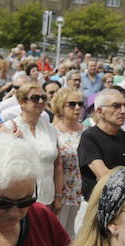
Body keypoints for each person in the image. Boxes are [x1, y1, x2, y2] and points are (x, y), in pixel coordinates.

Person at [76, 88, 125, 231]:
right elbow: (105, 176)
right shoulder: (89, 137)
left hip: (123, 209)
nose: (122, 111)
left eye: (124, 106)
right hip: (96, 208)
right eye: (116, 106)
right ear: (100, 111)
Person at [4, 82, 62, 209]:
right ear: (21, 102)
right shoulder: (10, 127)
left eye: (44, 98)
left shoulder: (50, 128)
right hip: (20, 200)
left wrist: (58, 196)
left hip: (47, 198)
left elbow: (57, 165)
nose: (41, 101)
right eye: (35, 98)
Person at [52, 86, 86, 237]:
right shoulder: (53, 132)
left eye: (80, 104)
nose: (77, 108)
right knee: (60, 235)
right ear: (61, 106)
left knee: (79, 237)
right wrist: (57, 196)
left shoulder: (87, 131)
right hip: (62, 194)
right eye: (72, 104)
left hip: (83, 194)